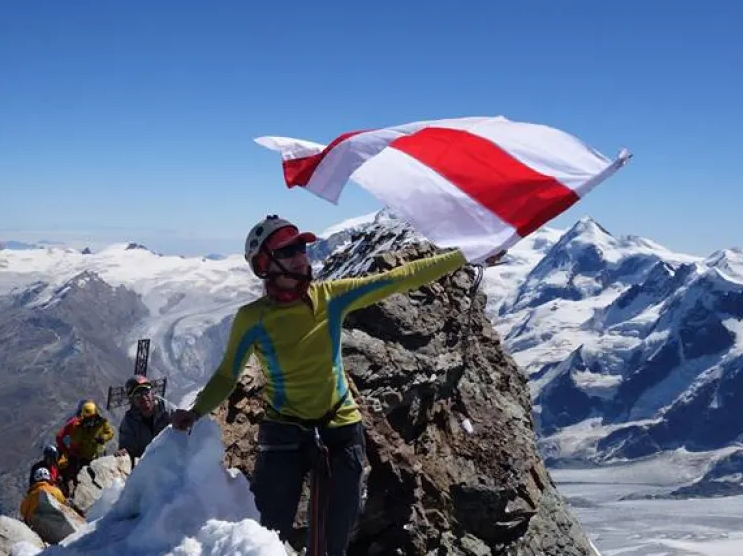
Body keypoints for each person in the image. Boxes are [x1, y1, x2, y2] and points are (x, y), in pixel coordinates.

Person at [170, 214, 499, 556]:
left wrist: (466, 255)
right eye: (290, 250)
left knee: (331, 543)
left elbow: (398, 278)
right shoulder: (252, 318)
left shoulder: (331, 297)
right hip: (285, 430)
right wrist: (196, 412)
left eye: (302, 247)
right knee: (266, 535)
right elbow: (227, 375)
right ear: (265, 264)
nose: (302, 255)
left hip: (339, 427)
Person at [55, 400, 115, 491]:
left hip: (89, 454)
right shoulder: (76, 424)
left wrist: (66, 451)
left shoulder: (97, 423)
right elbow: (62, 437)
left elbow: (60, 437)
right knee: (79, 476)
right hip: (81, 455)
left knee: (82, 476)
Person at [117, 374, 171, 461]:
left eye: (146, 392)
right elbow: (126, 448)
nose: (143, 397)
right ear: (132, 401)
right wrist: (124, 452)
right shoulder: (129, 422)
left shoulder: (167, 410)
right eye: (138, 395)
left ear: (152, 393)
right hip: (145, 466)